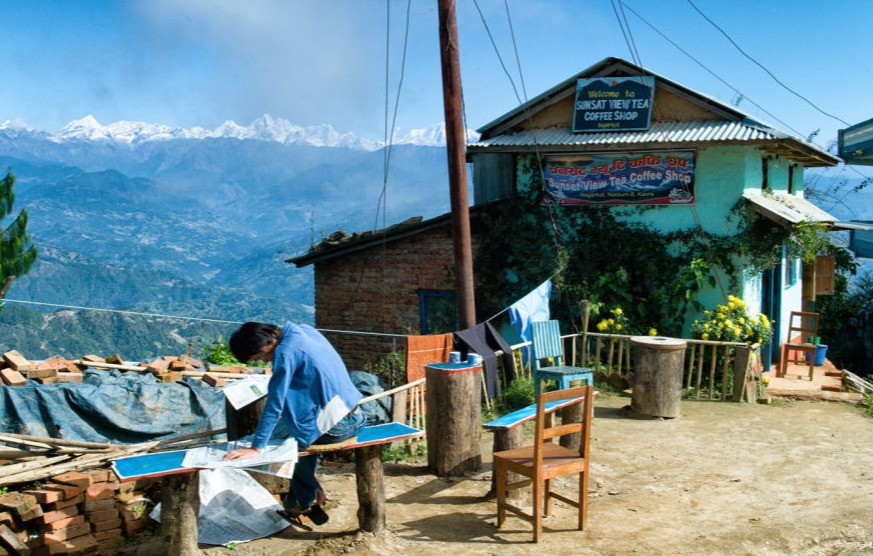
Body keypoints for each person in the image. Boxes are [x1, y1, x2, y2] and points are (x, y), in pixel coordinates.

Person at [223, 321, 364, 525]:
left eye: (262, 356)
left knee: (282, 445)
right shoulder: (304, 331)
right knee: (290, 432)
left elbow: (275, 402)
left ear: (270, 340)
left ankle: (308, 497)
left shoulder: (285, 353)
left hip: (339, 426)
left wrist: (256, 447)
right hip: (355, 413)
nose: (265, 360)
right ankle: (296, 503)